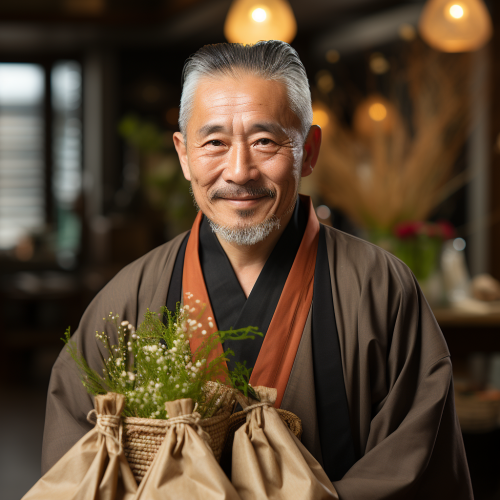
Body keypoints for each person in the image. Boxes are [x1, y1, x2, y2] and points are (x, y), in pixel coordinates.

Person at [42, 41, 473, 499]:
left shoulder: (380, 287)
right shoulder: (128, 298)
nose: (239, 171)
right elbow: (78, 464)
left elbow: (414, 460)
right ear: (184, 154)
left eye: (265, 141)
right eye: (214, 143)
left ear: (308, 150)